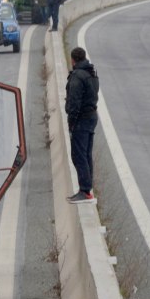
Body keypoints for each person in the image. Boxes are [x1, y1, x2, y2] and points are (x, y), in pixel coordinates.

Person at [65, 47, 100, 203]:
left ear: (73, 60)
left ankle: (84, 191)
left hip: (81, 120)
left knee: (79, 155)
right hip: (92, 117)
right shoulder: (92, 73)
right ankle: (87, 189)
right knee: (86, 154)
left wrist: (71, 122)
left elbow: (74, 102)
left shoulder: (77, 76)